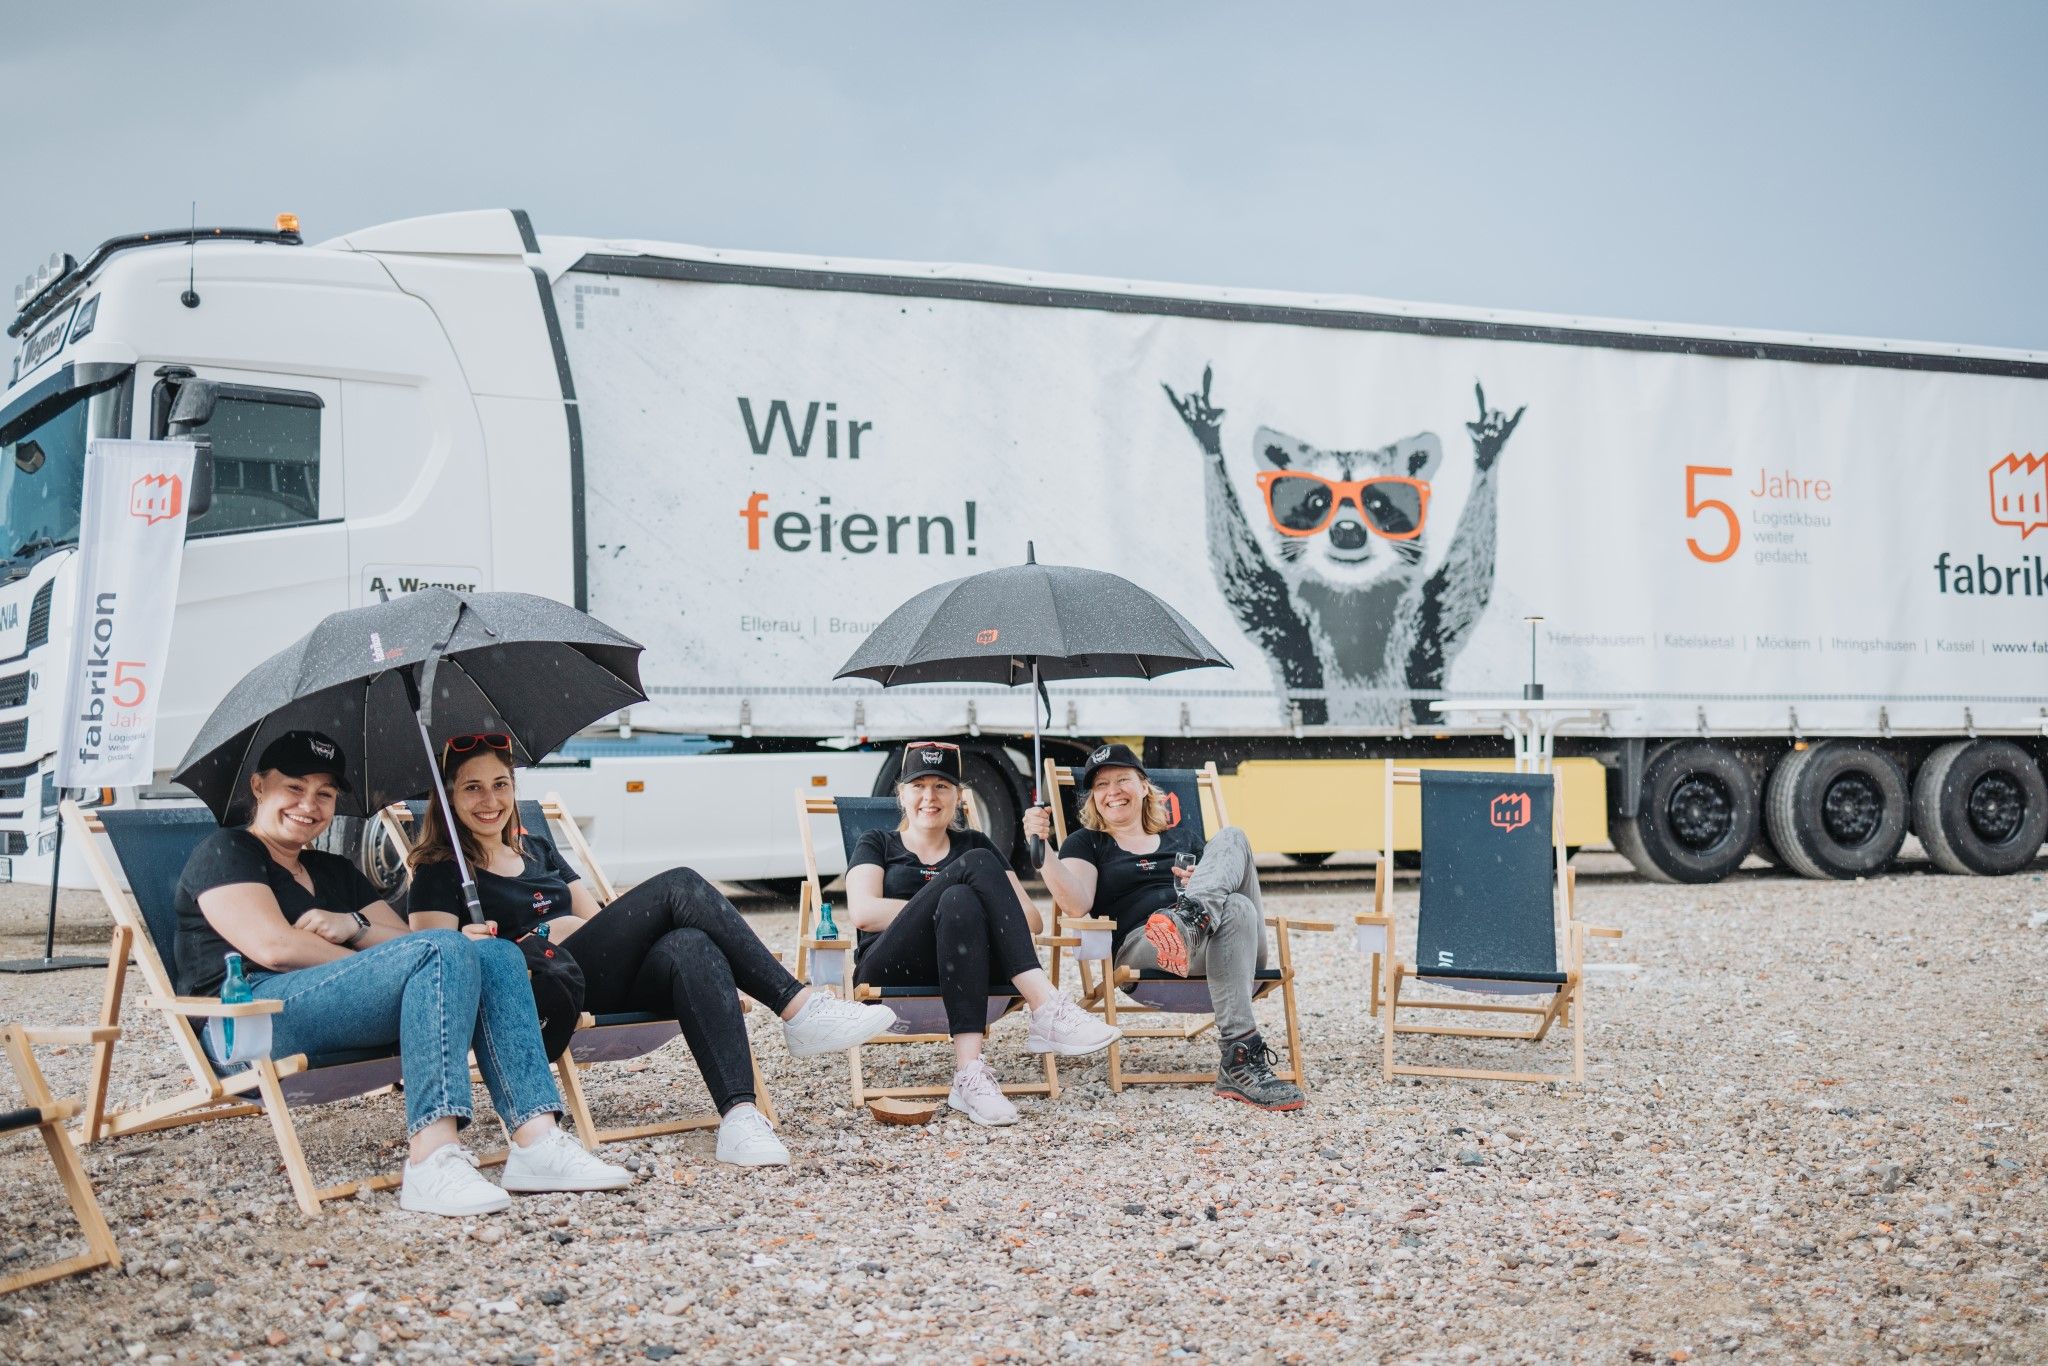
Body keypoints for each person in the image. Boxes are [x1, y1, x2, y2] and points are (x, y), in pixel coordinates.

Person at [174, 731, 632, 1217]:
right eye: (294, 787)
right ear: (259, 786)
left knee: (494, 954)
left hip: (332, 1011)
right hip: (249, 1024)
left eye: (324, 793)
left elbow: (400, 940)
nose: (309, 805)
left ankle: (537, 1141)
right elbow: (276, 947)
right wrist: (384, 962)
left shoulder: (332, 869)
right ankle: (432, 1160)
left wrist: (356, 927)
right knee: (444, 948)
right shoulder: (227, 851)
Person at [406, 734, 897, 1167]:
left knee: (691, 945)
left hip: (594, 974)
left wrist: (569, 928)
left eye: (500, 784)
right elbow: (437, 963)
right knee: (679, 884)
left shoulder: (536, 848)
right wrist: (504, 940)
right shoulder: (439, 870)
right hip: (540, 998)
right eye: (472, 788)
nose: (490, 800)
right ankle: (797, 1006)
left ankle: (740, 1117)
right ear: (448, 798)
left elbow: (593, 921)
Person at [845, 741, 1119, 1126]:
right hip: (891, 971)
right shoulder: (877, 842)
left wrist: (958, 904)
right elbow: (863, 912)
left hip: (966, 968)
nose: (929, 797)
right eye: (918, 786)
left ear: (959, 796)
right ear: (901, 795)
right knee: (963, 880)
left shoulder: (975, 842)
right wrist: (936, 910)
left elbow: (1032, 919)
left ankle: (969, 1076)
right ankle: (1046, 1005)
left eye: (941, 786)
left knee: (960, 899)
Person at [1022, 743, 1303, 1111]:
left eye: (1122, 780)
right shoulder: (1088, 843)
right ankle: (1240, 1055)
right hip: (1144, 945)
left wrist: (1201, 883)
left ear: (1144, 786)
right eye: (1101, 785)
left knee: (1234, 843)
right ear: (1093, 798)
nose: (1112, 791)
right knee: (1216, 910)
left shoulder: (1183, 838)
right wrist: (1042, 849)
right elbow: (1076, 904)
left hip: (1226, 947)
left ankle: (1189, 919)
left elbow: (1232, 892)